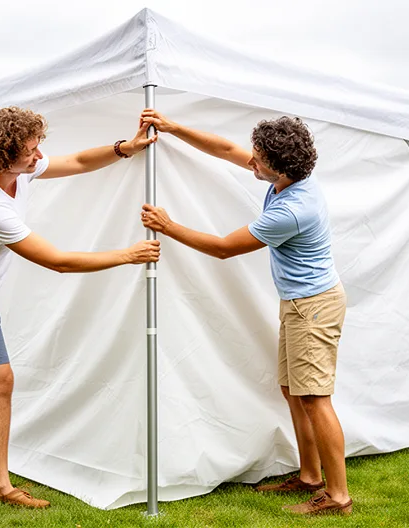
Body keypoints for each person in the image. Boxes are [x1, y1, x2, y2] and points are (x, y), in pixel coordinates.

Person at [0, 106, 160, 527]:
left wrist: (125, 148)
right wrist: (127, 254)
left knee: (1, 382)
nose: (37, 155)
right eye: (29, 151)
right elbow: (58, 261)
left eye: (35, 146)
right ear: (1, 158)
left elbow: (78, 161)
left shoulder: (19, 170)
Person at [138, 109, 352, 516]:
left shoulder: (292, 209)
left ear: (279, 167)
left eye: (257, 160)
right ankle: (310, 476)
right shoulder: (290, 174)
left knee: (315, 397)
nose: (249, 161)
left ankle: (338, 497)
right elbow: (225, 149)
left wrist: (167, 226)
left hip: (314, 307)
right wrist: (174, 127)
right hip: (300, 302)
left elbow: (223, 247)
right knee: (295, 391)